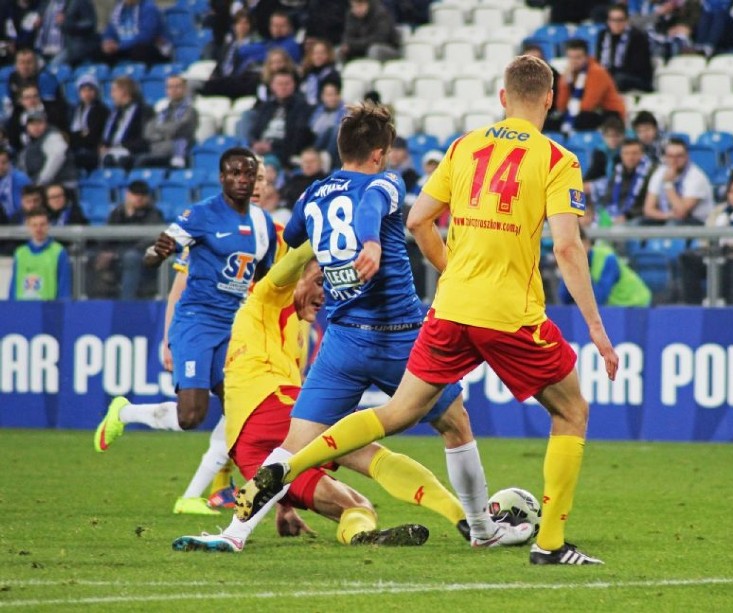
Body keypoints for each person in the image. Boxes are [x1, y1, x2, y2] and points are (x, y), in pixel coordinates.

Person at [236, 56, 620, 566]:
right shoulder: (558, 161)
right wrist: (596, 327)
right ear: (550, 99)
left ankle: (289, 464)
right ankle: (550, 544)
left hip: (448, 308)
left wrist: (453, 267)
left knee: (398, 413)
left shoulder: (463, 146)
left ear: (502, 98)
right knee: (571, 411)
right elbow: (568, 250)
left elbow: (419, 220)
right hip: (510, 314)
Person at [227, 101, 534, 551]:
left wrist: (324, 255)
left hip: (342, 342)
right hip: (399, 338)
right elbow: (371, 201)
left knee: (293, 446)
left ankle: (234, 533)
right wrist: (369, 240)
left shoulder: (313, 194)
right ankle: (483, 532)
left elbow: (293, 235)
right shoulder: (386, 182)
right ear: (378, 154)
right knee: (455, 424)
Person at [172, 254, 470, 551]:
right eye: (318, 281)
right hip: (273, 406)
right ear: (295, 279)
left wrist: (282, 504)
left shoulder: (298, 331)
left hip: (249, 449)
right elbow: (294, 259)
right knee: (367, 454)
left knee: (356, 506)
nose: (324, 294)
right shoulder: (267, 296)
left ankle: (359, 535)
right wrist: (321, 229)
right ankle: (463, 516)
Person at [94, 150, 277, 491]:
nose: (241, 179)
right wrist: (157, 253)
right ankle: (124, 413)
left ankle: (233, 488)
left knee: (243, 407)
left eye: (248, 174)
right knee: (190, 416)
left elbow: (266, 279)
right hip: (196, 321)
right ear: (221, 177)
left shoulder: (264, 224)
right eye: (233, 173)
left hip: (233, 327)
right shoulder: (202, 214)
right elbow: (153, 256)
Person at [679, 177, 733, 305]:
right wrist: (715, 246)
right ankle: (693, 306)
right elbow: (705, 237)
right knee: (687, 258)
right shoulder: (718, 210)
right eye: (732, 192)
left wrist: (728, 244)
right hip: (714, 255)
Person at [89, 180, 163, 299]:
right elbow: (108, 236)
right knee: (90, 256)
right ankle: (92, 302)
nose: (138, 198)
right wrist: (105, 251)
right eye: (135, 195)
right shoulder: (118, 212)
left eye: (142, 195)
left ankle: (126, 302)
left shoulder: (153, 214)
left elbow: (150, 240)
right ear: (128, 195)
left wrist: (118, 253)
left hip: (143, 261)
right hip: (117, 258)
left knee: (131, 257)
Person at [559, 228, 651, 307]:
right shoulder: (571, 263)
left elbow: (599, 299)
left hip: (636, 302)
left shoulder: (607, 258)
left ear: (587, 243)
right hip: (615, 307)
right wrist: (570, 272)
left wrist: (581, 271)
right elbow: (564, 298)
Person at [555, 39, 625, 133]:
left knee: (581, 120)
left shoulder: (597, 72)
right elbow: (561, 106)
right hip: (584, 111)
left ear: (586, 57)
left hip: (609, 113)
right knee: (551, 122)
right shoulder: (569, 73)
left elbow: (589, 105)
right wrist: (565, 83)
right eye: (571, 57)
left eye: (578, 57)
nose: (574, 61)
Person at [249, 69, 314, 171]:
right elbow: (255, 130)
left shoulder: (302, 107)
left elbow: (298, 137)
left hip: (282, 153)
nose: (283, 87)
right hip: (259, 149)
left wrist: (272, 146)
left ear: (294, 85)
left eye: (287, 84)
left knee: (265, 168)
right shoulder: (265, 107)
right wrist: (255, 143)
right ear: (272, 86)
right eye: (279, 84)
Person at [642, 138, 714, 225]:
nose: (674, 160)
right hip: (667, 217)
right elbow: (648, 209)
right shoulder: (660, 172)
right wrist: (667, 216)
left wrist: (668, 184)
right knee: (636, 225)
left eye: (679, 156)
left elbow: (681, 213)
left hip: (696, 221)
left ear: (687, 156)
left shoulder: (696, 177)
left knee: (672, 226)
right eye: (670, 156)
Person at [8, 207, 71, 300]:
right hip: (23, 310)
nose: (38, 229)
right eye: (34, 225)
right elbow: (14, 286)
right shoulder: (20, 253)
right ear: (28, 227)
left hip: (47, 310)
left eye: (42, 224)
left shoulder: (59, 252)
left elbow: (64, 288)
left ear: (48, 226)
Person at [135, 76, 198, 169]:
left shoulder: (190, 111)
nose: (173, 90)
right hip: (156, 149)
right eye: (170, 87)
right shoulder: (162, 111)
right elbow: (148, 132)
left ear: (184, 89)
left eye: (177, 86)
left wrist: (159, 131)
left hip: (176, 152)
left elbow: (176, 129)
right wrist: (164, 135)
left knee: (141, 161)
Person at [592, 137, 655, 226]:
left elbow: (648, 203)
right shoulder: (618, 171)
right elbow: (608, 197)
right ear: (621, 155)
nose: (630, 157)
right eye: (626, 153)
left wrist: (627, 216)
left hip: (638, 218)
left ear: (642, 154)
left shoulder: (650, 172)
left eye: (634, 153)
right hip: (616, 216)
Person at [596, 4, 653, 92]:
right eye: (612, 20)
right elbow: (599, 60)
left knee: (618, 79)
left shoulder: (637, 37)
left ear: (626, 21)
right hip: (611, 75)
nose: (616, 24)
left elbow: (638, 66)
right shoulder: (603, 35)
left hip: (636, 78)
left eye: (620, 20)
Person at [100, 77, 153, 170]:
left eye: (114, 91)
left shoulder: (143, 111)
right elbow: (108, 137)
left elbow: (145, 138)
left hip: (132, 151)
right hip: (113, 151)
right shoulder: (116, 112)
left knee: (120, 160)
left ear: (124, 91)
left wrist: (124, 146)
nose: (112, 95)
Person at [19, 110, 78, 189]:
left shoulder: (53, 136)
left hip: (61, 185)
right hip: (41, 185)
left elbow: (57, 156)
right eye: (32, 124)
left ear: (46, 124)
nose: (36, 127)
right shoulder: (30, 142)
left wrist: (41, 182)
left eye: (40, 123)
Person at [101, 0, 170, 66]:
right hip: (124, 47)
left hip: (149, 47)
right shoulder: (118, 9)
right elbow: (111, 29)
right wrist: (108, 42)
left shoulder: (149, 8)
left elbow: (145, 37)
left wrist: (120, 47)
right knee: (99, 51)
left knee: (140, 50)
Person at [35, 0, 99, 67]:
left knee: (52, 69)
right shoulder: (45, 2)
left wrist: (67, 23)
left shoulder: (80, 1)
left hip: (69, 48)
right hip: (44, 49)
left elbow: (90, 23)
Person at [68, 75, 109, 173]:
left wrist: (80, 135)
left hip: (92, 149)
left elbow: (93, 135)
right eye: (83, 90)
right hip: (76, 147)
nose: (87, 94)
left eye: (90, 90)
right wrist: (81, 134)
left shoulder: (101, 110)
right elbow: (72, 134)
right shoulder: (74, 110)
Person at [0, 147, 31, 225]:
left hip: (20, 221)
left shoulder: (21, 178)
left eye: (4, 162)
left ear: (9, 162)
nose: (1, 166)